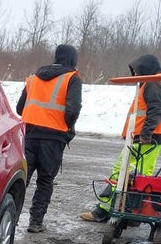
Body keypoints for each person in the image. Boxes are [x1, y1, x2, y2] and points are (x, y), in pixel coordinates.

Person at [80, 54, 161, 222]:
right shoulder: (151, 83)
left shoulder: (152, 84)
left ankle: (104, 211)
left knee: (126, 174)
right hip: (145, 137)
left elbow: (155, 112)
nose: (136, 75)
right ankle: (132, 214)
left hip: (146, 139)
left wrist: (145, 135)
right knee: (137, 177)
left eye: (138, 72)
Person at [16, 44, 83, 233]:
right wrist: (68, 127)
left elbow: (20, 108)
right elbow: (72, 109)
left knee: (22, 178)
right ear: (73, 59)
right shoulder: (72, 78)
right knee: (45, 181)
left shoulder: (33, 78)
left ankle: (11, 218)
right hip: (53, 138)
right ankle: (35, 222)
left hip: (29, 134)